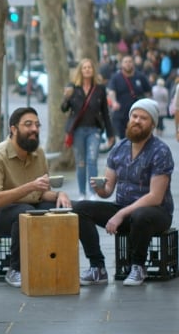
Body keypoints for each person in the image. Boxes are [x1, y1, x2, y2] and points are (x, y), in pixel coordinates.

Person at [74, 98, 174, 287]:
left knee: (140, 214)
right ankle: (98, 268)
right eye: (134, 116)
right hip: (124, 209)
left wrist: (120, 214)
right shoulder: (119, 148)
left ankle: (138, 266)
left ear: (152, 124)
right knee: (80, 208)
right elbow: (108, 190)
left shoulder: (160, 151)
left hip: (155, 213)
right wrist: (100, 189)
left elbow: (155, 196)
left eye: (143, 118)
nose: (137, 121)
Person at [0, 106, 72, 289]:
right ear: (13, 129)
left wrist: (60, 194)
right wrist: (30, 187)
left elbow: (42, 193)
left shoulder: (38, 154)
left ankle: (55, 265)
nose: (34, 129)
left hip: (27, 207)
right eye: (28, 125)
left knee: (56, 209)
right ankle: (15, 269)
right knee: (24, 213)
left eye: (37, 125)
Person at [61, 57, 115, 199]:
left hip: (94, 130)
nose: (87, 70)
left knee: (92, 160)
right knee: (81, 162)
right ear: (80, 70)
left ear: (93, 70)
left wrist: (111, 134)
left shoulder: (100, 89)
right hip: (78, 130)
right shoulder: (73, 87)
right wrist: (66, 97)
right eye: (84, 67)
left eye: (89, 67)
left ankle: (93, 192)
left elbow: (105, 112)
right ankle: (82, 193)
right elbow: (64, 109)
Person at [107, 54, 151, 140]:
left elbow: (148, 91)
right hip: (121, 114)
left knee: (138, 139)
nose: (128, 64)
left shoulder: (140, 76)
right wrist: (114, 102)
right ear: (122, 64)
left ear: (133, 63)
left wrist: (146, 103)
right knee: (123, 140)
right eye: (125, 62)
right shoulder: (116, 77)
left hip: (138, 115)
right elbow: (111, 91)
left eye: (130, 61)